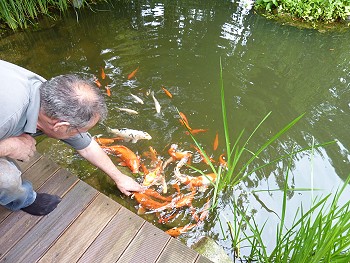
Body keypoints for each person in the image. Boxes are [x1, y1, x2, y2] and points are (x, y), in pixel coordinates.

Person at [0, 59, 144, 216]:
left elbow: (87, 146)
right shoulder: (7, 117)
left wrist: (119, 177)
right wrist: (10, 146)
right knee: (7, 179)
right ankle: (25, 200)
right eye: (78, 131)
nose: (80, 135)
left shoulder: (47, 96)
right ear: (60, 126)